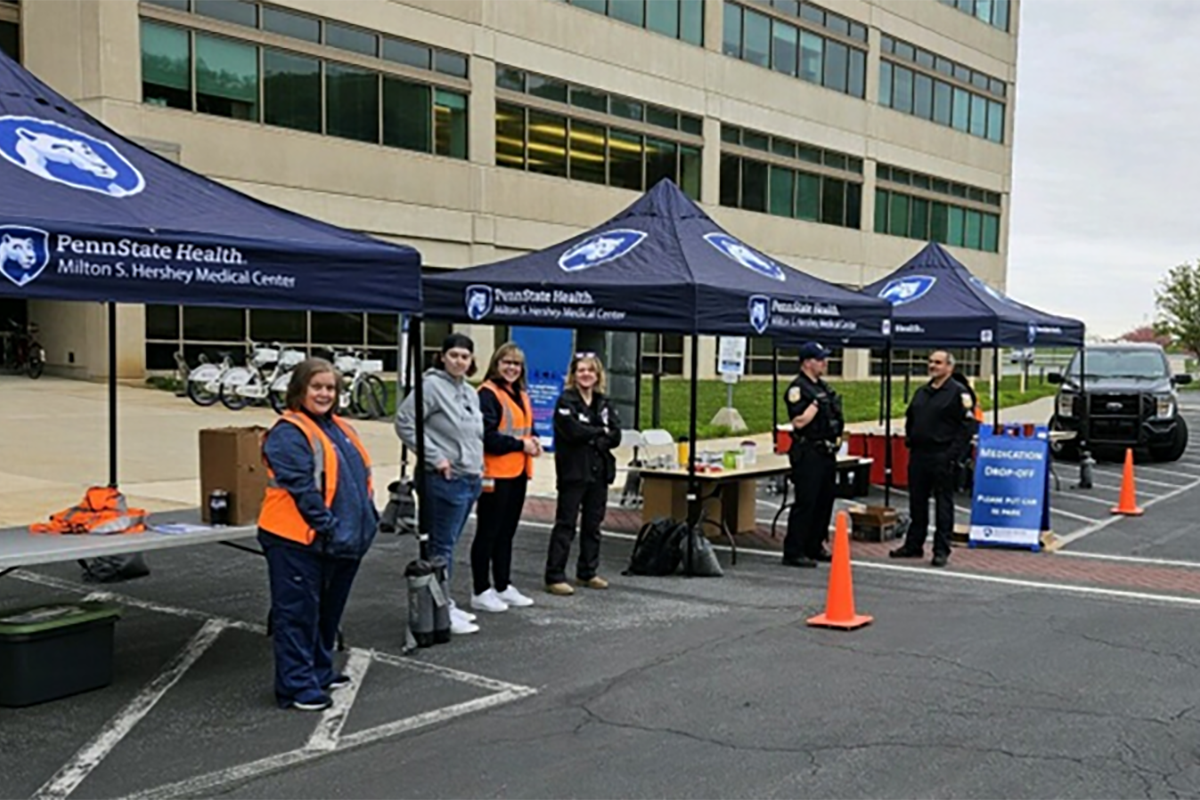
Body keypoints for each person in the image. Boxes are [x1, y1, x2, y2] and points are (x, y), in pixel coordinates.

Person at [258, 358, 377, 712]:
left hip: (340, 541)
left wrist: (364, 521)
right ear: (300, 390)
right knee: (297, 614)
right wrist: (329, 526)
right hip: (298, 540)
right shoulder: (288, 432)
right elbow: (302, 490)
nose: (325, 393)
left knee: (327, 613)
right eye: (317, 387)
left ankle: (320, 671)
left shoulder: (339, 428)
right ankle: (295, 686)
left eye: (330, 388)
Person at [396, 333, 485, 634]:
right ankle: (439, 605)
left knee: (449, 545)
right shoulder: (431, 387)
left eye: (465, 356)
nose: (459, 361)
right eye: (454, 355)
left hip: (469, 478)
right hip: (444, 479)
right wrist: (436, 457)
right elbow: (405, 422)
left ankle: (445, 601)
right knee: (440, 547)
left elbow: (474, 435)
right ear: (443, 356)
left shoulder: (470, 392)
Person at [891, 350, 979, 567]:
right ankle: (914, 545)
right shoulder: (923, 391)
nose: (933, 366)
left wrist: (952, 455)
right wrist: (911, 439)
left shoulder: (958, 393)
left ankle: (941, 550)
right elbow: (911, 417)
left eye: (938, 363)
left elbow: (968, 426)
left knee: (943, 506)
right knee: (917, 503)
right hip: (920, 454)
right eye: (931, 362)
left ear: (949, 367)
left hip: (943, 455)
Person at [471, 342, 542, 612]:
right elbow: (487, 436)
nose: (512, 368)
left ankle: (502, 584)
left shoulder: (520, 393)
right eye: (507, 362)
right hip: (495, 474)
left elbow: (526, 427)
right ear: (496, 364)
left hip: (518, 472)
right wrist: (521, 445)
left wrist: (533, 440)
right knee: (488, 532)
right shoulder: (487, 394)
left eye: (517, 364)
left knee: (507, 532)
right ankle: (480, 589)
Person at [544, 353, 622, 595]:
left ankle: (587, 571)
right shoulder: (566, 401)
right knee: (566, 524)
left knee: (593, 525)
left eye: (591, 370)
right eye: (581, 370)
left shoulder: (604, 402)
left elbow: (616, 435)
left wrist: (594, 433)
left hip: (598, 472)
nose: (586, 374)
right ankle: (555, 575)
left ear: (598, 375)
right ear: (573, 375)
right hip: (573, 473)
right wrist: (600, 431)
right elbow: (572, 431)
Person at [781, 342, 845, 568]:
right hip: (808, 452)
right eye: (820, 359)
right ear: (807, 362)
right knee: (806, 502)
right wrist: (815, 406)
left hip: (826, 452)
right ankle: (794, 550)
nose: (825, 363)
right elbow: (798, 422)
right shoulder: (798, 389)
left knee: (824, 501)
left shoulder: (824, 387)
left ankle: (815, 544)